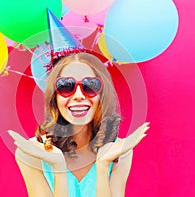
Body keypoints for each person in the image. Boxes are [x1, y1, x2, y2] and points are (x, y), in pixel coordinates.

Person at [8, 52, 149, 197]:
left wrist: (102, 166)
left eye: (90, 85)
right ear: (54, 97)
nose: (79, 95)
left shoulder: (119, 152)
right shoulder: (32, 154)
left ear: (103, 96)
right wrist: (58, 168)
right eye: (66, 86)